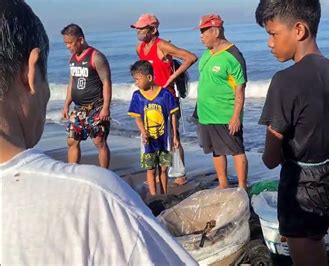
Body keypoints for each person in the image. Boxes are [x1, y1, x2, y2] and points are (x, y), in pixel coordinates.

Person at [0, 1, 196, 265]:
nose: (138, 31)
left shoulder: (100, 56)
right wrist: (113, 199)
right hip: (96, 112)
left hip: (141, 103)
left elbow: (107, 81)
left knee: (151, 142)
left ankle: (175, 176)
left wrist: (167, 82)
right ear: (31, 73)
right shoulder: (95, 197)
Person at [256, 0, 329, 265]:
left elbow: (271, 158)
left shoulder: (284, 81)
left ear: (299, 30)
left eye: (273, 34)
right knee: (316, 242)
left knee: (306, 256)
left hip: (303, 186)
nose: (269, 43)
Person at [131, 13, 197, 185]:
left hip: (166, 98)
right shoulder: (140, 48)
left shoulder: (162, 45)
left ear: (153, 29)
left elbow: (190, 57)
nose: (138, 32)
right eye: (137, 28)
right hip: (148, 99)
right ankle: (159, 171)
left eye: (141, 29)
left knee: (173, 135)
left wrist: (171, 77)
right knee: (153, 134)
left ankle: (180, 173)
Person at [196, 14, 249, 189]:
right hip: (206, 113)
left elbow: (240, 89)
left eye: (204, 31)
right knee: (216, 150)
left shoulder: (233, 55)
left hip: (225, 114)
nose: (201, 35)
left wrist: (235, 116)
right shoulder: (207, 53)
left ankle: (242, 187)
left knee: (236, 149)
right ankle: (223, 184)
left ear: (216, 31)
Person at [61, 24, 111, 168]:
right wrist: (66, 104)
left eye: (70, 43)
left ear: (80, 39)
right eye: (66, 43)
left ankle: (104, 174)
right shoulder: (72, 59)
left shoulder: (96, 57)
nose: (68, 46)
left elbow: (107, 82)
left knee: (99, 141)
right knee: (72, 140)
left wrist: (105, 108)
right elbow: (72, 82)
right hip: (78, 108)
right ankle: (71, 172)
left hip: (96, 107)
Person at [128, 60, 179, 196]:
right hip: (148, 141)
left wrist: (175, 136)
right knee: (150, 169)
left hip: (164, 139)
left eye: (138, 79)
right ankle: (153, 195)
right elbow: (137, 117)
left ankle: (163, 194)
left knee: (163, 168)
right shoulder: (137, 96)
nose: (136, 83)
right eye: (135, 80)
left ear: (149, 77)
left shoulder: (165, 94)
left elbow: (173, 115)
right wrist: (143, 133)